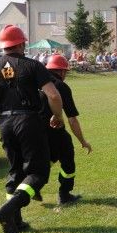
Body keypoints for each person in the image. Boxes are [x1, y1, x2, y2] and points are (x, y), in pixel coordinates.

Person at [0, 25, 64, 233]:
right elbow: (54, 95)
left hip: (5, 123)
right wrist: (57, 117)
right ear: (21, 44)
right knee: (38, 173)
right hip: (28, 121)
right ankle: (8, 209)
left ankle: (17, 221)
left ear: (3, 46)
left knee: (15, 172)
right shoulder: (32, 65)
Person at [40, 54, 92, 205]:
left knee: (49, 158)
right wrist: (83, 141)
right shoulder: (61, 86)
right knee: (67, 158)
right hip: (54, 130)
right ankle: (64, 194)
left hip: (32, 130)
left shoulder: (36, 83)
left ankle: (31, 184)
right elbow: (72, 118)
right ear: (62, 71)